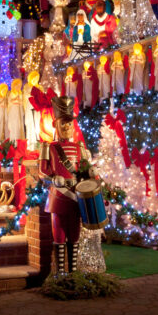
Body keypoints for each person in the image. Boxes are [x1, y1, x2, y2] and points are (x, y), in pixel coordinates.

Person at [39, 91, 97, 274]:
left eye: (69, 122)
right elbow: (42, 171)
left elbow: (84, 169)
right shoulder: (49, 147)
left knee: (74, 236)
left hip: (75, 197)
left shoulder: (80, 147)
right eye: (63, 123)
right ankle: (60, 273)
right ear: (56, 124)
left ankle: (72, 274)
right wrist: (52, 178)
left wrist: (90, 171)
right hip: (58, 196)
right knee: (59, 236)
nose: (66, 126)